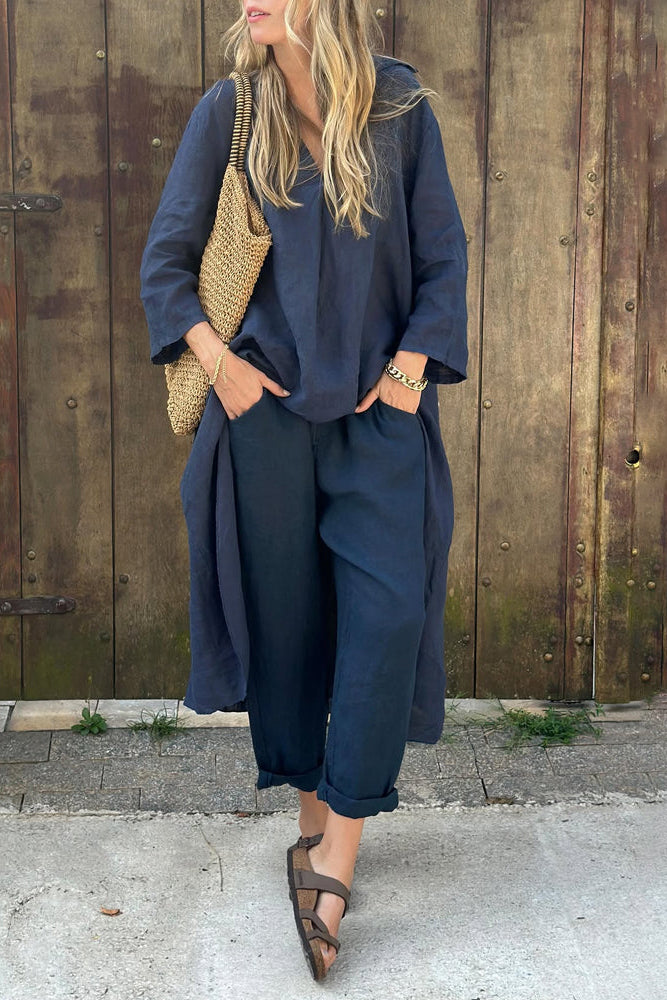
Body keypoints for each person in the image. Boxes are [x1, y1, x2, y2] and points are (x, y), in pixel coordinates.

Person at [140, 0, 468, 981]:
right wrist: (222, 367)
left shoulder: (398, 107)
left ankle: (335, 858)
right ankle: (313, 826)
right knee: (289, 628)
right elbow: (166, 265)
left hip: (378, 419)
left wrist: (409, 373)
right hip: (267, 422)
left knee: (386, 617)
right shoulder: (231, 111)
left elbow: (443, 259)